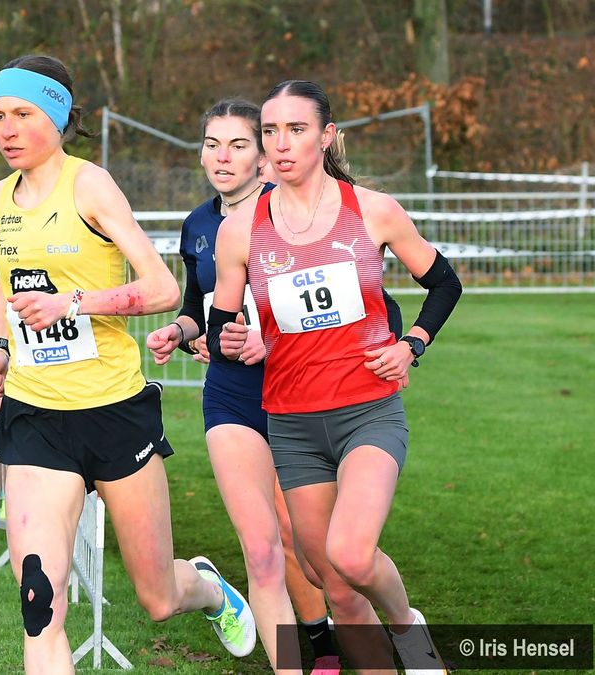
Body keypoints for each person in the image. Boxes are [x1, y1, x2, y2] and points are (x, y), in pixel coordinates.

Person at [0, 55, 283, 674]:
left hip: (114, 410)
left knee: (157, 597)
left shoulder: (89, 185)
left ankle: (210, 587)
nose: (6, 130)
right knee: (40, 604)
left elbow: (164, 288)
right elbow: (11, 285)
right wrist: (3, 347)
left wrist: (75, 304)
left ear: (57, 120)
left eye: (23, 115)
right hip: (35, 416)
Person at [208, 79, 461, 674]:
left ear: (327, 136)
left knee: (350, 553)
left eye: (296, 129)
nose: (280, 143)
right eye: (271, 131)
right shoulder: (239, 230)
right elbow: (223, 328)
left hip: (367, 411)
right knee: (330, 579)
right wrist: (226, 338)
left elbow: (444, 283)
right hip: (292, 424)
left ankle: (409, 631)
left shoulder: (372, 210)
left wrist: (411, 345)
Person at [147, 98, 339, 674]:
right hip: (229, 394)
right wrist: (179, 333)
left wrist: (271, 344)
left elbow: (350, 312)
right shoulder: (198, 225)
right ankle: (294, 663)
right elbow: (198, 308)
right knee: (261, 549)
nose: (222, 156)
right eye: (212, 144)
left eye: (237, 144)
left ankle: (336, 637)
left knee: (306, 543)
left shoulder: (295, 215)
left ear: (262, 155)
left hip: (297, 391)